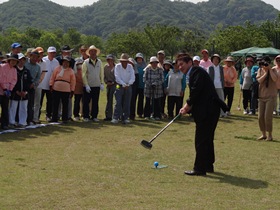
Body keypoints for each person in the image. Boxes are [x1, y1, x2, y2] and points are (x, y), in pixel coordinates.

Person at [177, 53, 225, 176]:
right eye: (178, 65)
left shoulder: (196, 71)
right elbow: (197, 93)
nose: (180, 67)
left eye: (182, 64)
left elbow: (196, 90)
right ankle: (208, 165)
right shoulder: (192, 73)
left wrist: (187, 105)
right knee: (207, 139)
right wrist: (188, 106)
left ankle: (199, 168)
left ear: (189, 63)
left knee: (201, 140)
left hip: (208, 111)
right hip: (209, 110)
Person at [256, 56, 277, 141]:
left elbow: (275, 79)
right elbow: (259, 81)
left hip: (271, 97)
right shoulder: (260, 70)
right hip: (261, 96)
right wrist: (265, 73)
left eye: (266, 63)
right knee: (260, 117)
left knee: (267, 116)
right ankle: (263, 134)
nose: (264, 65)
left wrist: (270, 70)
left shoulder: (274, 70)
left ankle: (270, 135)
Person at [49, 56, 76, 123]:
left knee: (65, 105)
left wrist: (72, 90)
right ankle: (54, 118)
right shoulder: (57, 68)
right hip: (56, 87)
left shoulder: (71, 71)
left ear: (69, 64)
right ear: (62, 62)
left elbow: (73, 81)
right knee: (55, 104)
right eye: (64, 62)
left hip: (66, 89)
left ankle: (65, 118)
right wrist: (51, 85)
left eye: (67, 62)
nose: (65, 64)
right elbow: (53, 77)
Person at [9, 53, 32, 127]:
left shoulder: (26, 71)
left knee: (23, 108)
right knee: (13, 108)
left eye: (23, 60)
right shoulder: (14, 70)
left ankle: (22, 122)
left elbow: (29, 82)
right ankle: (11, 122)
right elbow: (11, 81)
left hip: (24, 93)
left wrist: (26, 91)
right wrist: (16, 91)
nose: (21, 62)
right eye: (20, 60)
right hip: (15, 93)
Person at [111, 53, 135, 124]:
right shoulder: (117, 66)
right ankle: (115, 117)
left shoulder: (130, 67)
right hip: (119, 85)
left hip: (128, 85)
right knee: (118, 102)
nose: (123, 62)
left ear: (127, 61)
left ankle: (125, 118)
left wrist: (128, 84)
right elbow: (117, 77)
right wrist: (123, 84)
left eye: (125, 61)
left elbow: (133, 77)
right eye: (122, 61)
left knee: (127, 102)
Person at [82, 45, 104, 122]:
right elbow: (84, 74)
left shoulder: (100, 62)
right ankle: (86, 116)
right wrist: (86, 85)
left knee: (95, 101)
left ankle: (94, 116)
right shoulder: (86, 62)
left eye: (94, 51)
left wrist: (101, 83)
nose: (93, 53)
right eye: (91, 51)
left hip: (96, 85)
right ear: (89, 53)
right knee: (86, 102)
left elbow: (101, 73)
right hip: (88, 85)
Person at [40, 46, 60, 121]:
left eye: (54, 52)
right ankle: (37, 116)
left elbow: (56, 73)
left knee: (50, 101)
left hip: (51, 84)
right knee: (40, 101)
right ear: (48, 52)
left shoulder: (56, 62)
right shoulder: (43, 60)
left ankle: (48, 115)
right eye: (51, 52)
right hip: (42, 84)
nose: (52, 54)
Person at [0, 54, 18, 130]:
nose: (13, 62)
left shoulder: (14, 70)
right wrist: (4, 89)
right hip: (1, 90)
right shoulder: (2, 67)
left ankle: (4, 124)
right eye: (12, 60)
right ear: (9, 60)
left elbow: (14, 80)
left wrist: (10, 89)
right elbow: (0, 78)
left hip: (8, 91)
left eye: (15, 61)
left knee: (5, 108)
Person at [25, 50, 41, 125]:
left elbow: (38, 78)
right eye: (33, 56)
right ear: (30, 56)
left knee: (30, 104)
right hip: (24, 85)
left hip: (32, 87)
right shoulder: (25, 63)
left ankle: (30, 119)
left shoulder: (38, 67)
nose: (34, 58)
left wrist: (34, 84)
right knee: (22, 104)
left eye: (36, 57)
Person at [33, 47, 47, 124]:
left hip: (39, 85)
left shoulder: (44, 63)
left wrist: (37, 82)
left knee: (37, 103)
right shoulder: (31, 61)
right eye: (39, 53)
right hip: (30, 85)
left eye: (41, 53)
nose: (40, 55)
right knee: (30, 102)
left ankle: (35, 118)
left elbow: (43, 74)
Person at [103, 54, 116, 121]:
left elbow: (118, 77)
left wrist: (113, 82)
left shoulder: (116, 67)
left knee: (116, 100)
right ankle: (108, 116)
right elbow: (104, 77)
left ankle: (116, 115)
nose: (109, 61)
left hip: (116, 84)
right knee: (109, 100)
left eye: (111, 59)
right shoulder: (105, 67)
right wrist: (106, 82)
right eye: (108, 59)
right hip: (108, 85)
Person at [135, 53, 146, 118]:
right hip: (135, 86)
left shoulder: (145, 66)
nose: (139, 59)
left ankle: (140, 113)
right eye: (138, 58)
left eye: (140, 58)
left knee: (141, 100)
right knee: (133, 99)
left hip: (142, 85)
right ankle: (132, 113)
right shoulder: (134, 65)